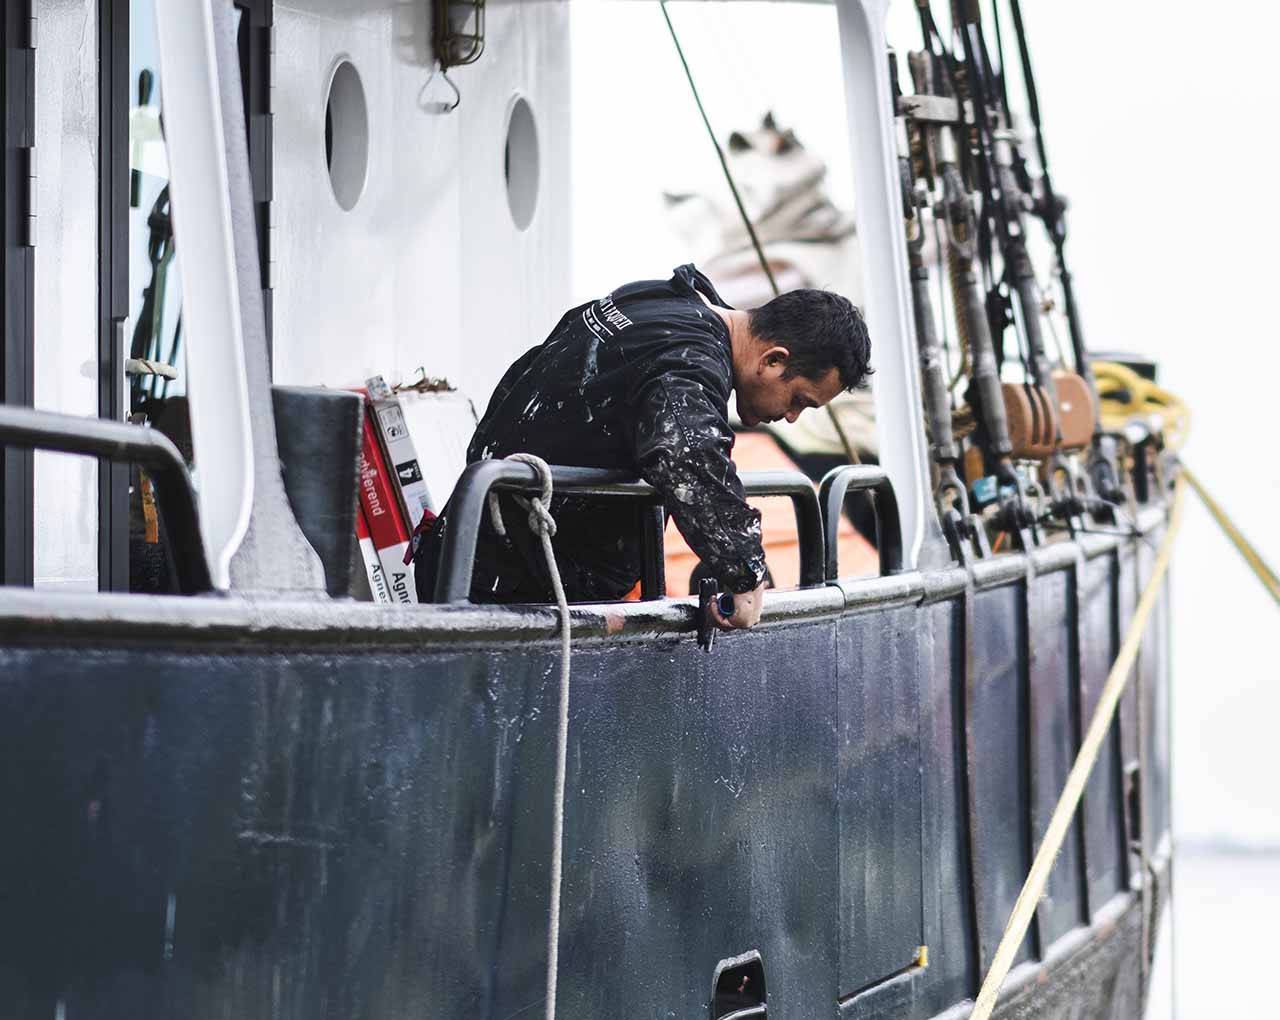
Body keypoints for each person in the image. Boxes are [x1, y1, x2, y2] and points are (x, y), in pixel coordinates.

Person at [413, 264, 872, 630]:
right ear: (774, 360)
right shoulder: (689, 360)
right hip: (512, 594)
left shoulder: (657, 301)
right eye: (798, 402)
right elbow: (690, 456)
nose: (790, 418)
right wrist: (745, 575)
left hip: (476, 557)